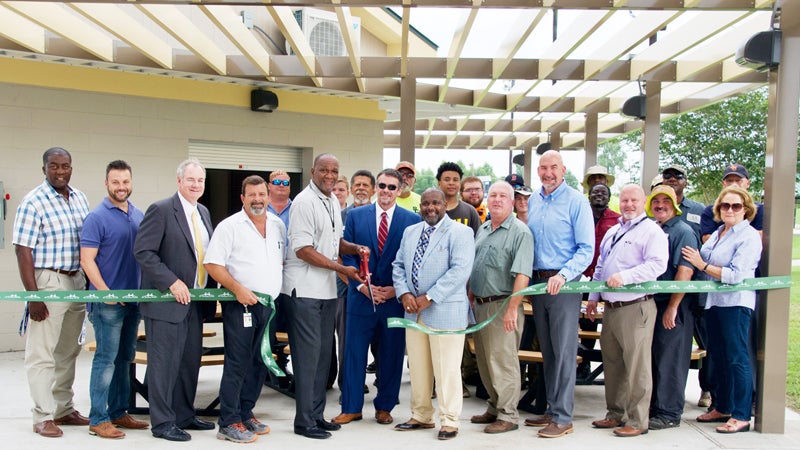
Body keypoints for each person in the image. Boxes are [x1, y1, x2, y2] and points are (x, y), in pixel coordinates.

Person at [283, 153, 366, 440]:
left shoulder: (332, 200)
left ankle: (316, 415)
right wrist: (339, 266)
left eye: (334, 170)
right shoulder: (304, 203)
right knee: (307, 359)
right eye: (324, 170)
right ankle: (304, 422)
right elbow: (303, 249)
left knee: (321, 359)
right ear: (312, 171)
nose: (329, 175)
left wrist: (354, 249)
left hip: (326, 292)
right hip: (304, 291)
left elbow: (333, 241)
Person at [134, 158, 217, 442]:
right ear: (179, 181)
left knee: (188, 364)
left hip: (195, 303)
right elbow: (144, 252)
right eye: (191, 180)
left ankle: (184, 415)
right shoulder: (160, 210)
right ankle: (163, 423)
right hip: (167, 303)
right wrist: (171, 282)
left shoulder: (203, 211)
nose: (196, 185)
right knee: (164, 365)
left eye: (200, 181)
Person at [13, 147, 92, 438]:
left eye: (65, 166)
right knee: (42, 353)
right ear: (44, 168)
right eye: (54, 166)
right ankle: (43, 415)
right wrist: (33, 296)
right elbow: (23, 250)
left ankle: (63, 408)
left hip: (77, 281)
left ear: (72, 167)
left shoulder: (80, 198)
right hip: (49, 281)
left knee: (68, 350)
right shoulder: (33, 201)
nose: (60, 171)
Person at [333, 169, 421, 426]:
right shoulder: (356, 216)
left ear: (400, 189)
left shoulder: (411, 220)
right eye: (381, 185)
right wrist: (361, 287)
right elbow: (346, 255)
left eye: (391, 187)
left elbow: (413, 261)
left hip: (393, 300)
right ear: (375, 188)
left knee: (392, 354)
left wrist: (396, 289)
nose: (385, 190)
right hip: (360, 298)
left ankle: (385, 406)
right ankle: (351, 407)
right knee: (353, 353)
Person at [203, 175, 286, 443]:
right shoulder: (229, 227)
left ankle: (245, 411)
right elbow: (213, 264)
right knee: (238, 363)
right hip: (241, 307)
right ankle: (228, 421)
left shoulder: (276, 225)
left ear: (268, 196)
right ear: (243, 198)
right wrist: (238, 288)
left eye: (262, 194)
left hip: (267, 307)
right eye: (252, 195)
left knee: (259, 361)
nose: (258, 200)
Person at [392, 188, 475, 440]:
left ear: (444, 205)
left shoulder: (461, 232)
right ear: (420, 207)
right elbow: (399, 265)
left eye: (436, 203)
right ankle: (421, 415)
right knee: (418, 368)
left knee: (447, 370)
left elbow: (460, 271)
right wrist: (404, 293)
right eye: (426, 203)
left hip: (445, 311)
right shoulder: (410, 232)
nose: (430, 207)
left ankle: (449, 420)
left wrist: (428, 297)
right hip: (413, 313)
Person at [586, 184, 668, 437]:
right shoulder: (613, 231)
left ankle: (637, 420)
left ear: (643, 202)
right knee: (613, 363)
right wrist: (593, 297)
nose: (628, 204)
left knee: (637, 367)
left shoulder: (652, 232)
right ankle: (615, 413)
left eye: (634, 200)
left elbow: (657, 265)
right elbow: (600, 265)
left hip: (636, 306)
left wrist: (626, 277)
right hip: (610, 308)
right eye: (624, 200)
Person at [523, 150, 593, 438]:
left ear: (563, 170)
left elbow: (586, 249)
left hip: (563, 285)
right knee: (548, 352)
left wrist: (563, 275)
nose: (548, 172)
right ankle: (552, 410)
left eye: (553, 167)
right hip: (539, 285)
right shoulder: (534, 200)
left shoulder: (577, 201)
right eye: (543, 168)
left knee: (564, 353)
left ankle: (564, 418)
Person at [681, 186, 762, 434]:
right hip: (714, 302)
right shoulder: (718, 233)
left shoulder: (747, 237)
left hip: (735, 303)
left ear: (746, 209)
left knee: (737, 358)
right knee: (718, 356)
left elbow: (735, 275)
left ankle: (741, 414)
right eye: (725, 205)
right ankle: (723, 406)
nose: (729, 210)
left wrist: (703, 264)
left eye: (736, 206)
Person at [80, 160, 148, 439]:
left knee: (125, 358)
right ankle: (98, 418)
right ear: (106, 184)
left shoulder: (139, 214)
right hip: (107, 303)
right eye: (116, 182)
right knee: (106, 359)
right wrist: (105, 292)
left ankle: (119, 411)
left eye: (126, 182)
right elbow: (87, 260)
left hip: (133, 301)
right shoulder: (96, 217)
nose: (122, 187)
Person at [468, 182, 533, 434]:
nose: (496, 200)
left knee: (503, 361)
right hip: (481, 305)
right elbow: (476, 265)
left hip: (504, 305)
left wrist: (511, 309)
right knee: (485, 360)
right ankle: (494, 407)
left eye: (503, 196)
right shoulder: (483, 228)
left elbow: (523, 275)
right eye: (493, 195)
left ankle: (508, 415)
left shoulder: (520, 232)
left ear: (512, 201)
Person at [645, 185, 699, 430]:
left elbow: (685, 271)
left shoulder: (683, 231)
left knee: (671, 360)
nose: (660, 205)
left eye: (666, 200)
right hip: (653, 303)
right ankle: (656, 408)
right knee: (656, 358)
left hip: (673, 305)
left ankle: (669, 413)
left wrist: (673, 306)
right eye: (656, 201)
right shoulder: (653, 229)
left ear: (675, 204)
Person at [577, 183, 621, 380]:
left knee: (606, 323)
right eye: (595, 192)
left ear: (609, 197)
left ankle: (609, 368)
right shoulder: (581, 215)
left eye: (603, 193)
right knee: (585, 323)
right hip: (582, 278)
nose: (599, 196)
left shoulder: (616, 220)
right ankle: (583, 364)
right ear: (589, 196)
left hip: (605, 281)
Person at [700, 163, 763, 243]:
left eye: (738, 180)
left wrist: (722, 237)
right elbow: (707, 240)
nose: (734, 184)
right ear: (723, 184)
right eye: (729, 181)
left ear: (748, 183)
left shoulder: (760, 210)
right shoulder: (710, 211)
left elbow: (759, 237)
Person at [437, 162, 481, 235]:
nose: (451, 183)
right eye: (447, 179)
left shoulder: (470, 212)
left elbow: (478, 240)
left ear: (460, 184)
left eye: (455, 180)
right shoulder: (430, 211)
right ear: (439, 183)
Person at [661, 164, 704, 237]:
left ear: (685, 184)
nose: (672, 179)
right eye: (667, 176)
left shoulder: (699, 209)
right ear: (662, 182)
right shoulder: (654, 209)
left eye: (678, 176)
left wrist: (701, 249)